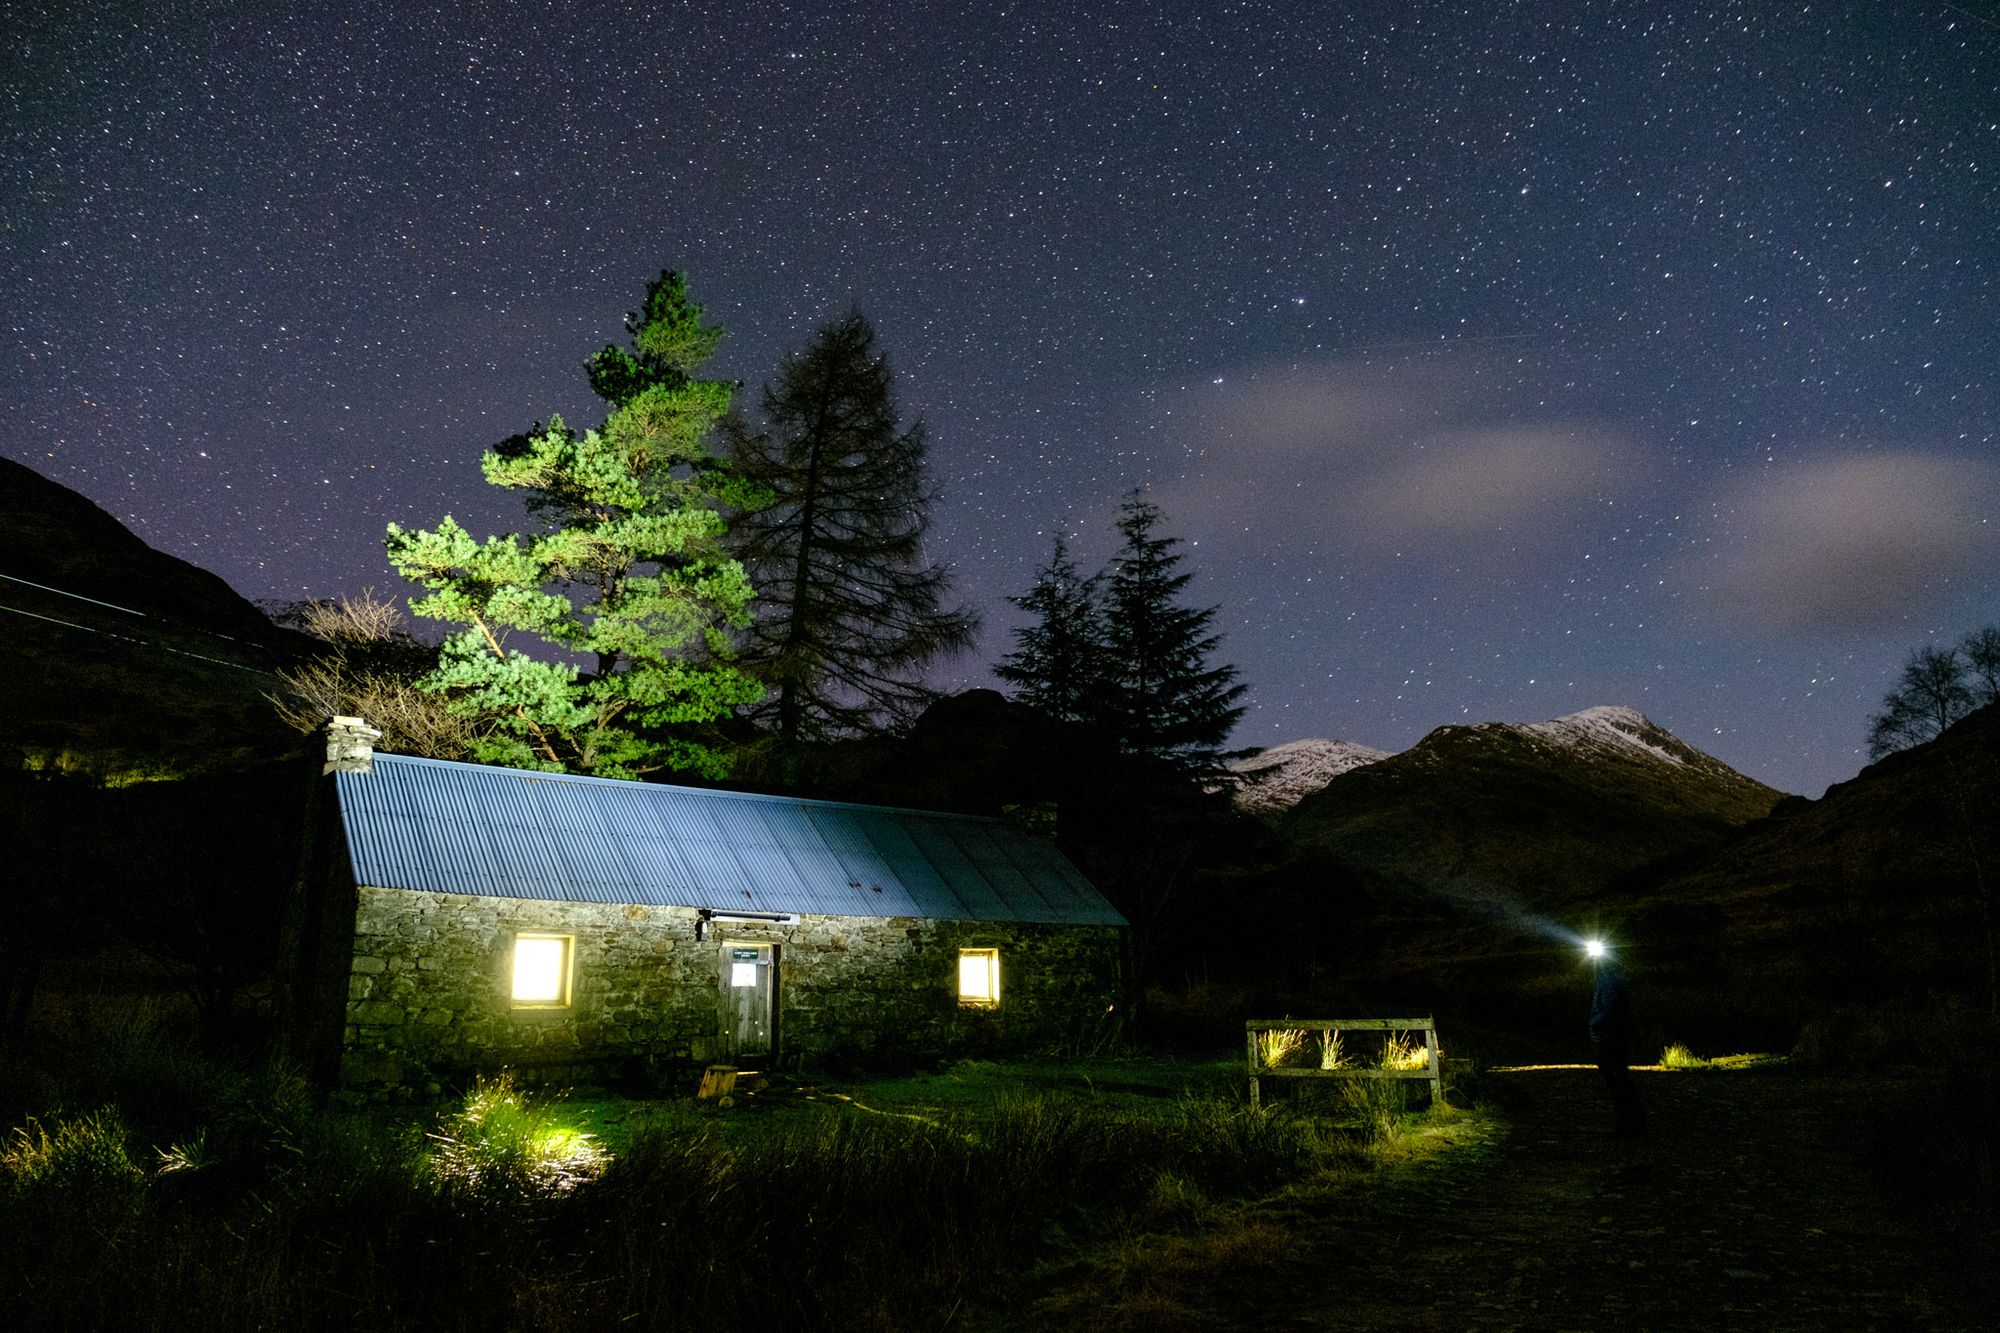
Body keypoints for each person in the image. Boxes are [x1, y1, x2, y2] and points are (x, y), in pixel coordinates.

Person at [1589, 948, 1646, 1138]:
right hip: (1615, 1035)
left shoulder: (1607, 981)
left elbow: (1610, 1008)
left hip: (1609, 1037)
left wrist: (1594, 1022)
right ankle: (1633, 1123)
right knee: (1620, 1079)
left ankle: (1628, 1125)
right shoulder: (1614, 979)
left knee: (1616, 1080)